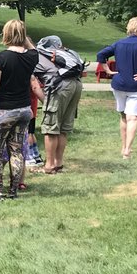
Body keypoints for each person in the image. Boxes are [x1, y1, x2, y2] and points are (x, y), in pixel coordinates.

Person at [0, 19, 41, 201]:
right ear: (23, 35)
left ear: (5, 34)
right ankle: (13, 190)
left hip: (3, 111)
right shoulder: (32, 57)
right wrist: (22, 36)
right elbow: (32, 48)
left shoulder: (1, 58)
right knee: (16, 150)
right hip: (24, 110)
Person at [97, 17, 137, 160]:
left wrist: (107, 70)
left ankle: (123, 146)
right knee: (133, 118)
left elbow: (101, 55)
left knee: (124, 116)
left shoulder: (119, 43)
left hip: (119, 84)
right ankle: (127, 150)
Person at [35, 35, 84, 173]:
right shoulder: (67, 53)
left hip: (59, 88)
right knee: (63, 129)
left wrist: (46, 101)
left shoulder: (39, 56)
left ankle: (49, 166)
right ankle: (58, 163)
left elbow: (34, 84)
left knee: (50, 128)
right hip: (76, 84)